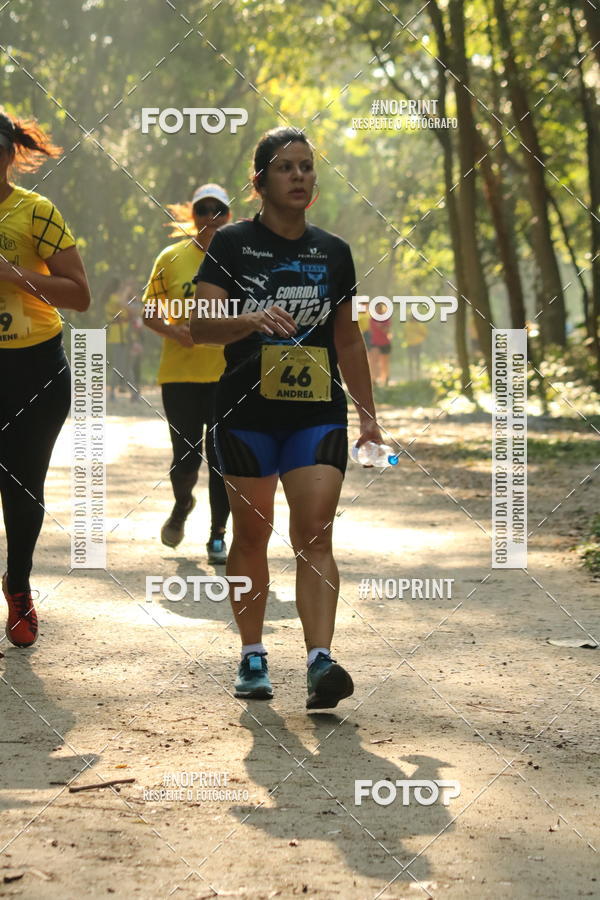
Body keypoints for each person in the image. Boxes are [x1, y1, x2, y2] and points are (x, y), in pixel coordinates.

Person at [191, 127, 383, 709]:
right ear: (260, 182)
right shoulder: (229, 245)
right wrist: (250, 319)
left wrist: (369, 416)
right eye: (285, 168)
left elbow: (348, 341)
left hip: (316, 413)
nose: (299, 176)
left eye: (306, 167)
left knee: (316, 531)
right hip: (245, 413)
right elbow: (200, 327)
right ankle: (252, 654)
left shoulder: (334, 252)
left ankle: (320, 662)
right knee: (251, 535)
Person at [0, 110, 91, 647]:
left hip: (35, 367)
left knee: (22, 484)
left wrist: (12, 275)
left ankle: (18, 584)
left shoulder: (36, 212)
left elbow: (79, 294)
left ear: (10, 154)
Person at [142, 184, 231, 564]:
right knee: (185, 458)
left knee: (223, 458)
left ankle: (217, 536)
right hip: (179, 374)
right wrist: (174, 330)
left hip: (229, 373)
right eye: (203, 209)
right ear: (192, 215)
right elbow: (149, 312)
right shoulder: (171, 257)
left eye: (219, 210)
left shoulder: (241, 257)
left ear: (229, 215)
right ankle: (182, 505)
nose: (211, 216)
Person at [368, 301, 392, 386]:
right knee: (373, 362)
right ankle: (373, 379)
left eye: (380, 308)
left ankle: (385, 379)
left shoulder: (386, 319)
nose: (379, 310)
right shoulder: (372, 319)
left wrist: (381, 326)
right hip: (375, 343)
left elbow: (387, 330)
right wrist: (381, 326)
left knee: (384, 362)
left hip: (385, 343)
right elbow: (372, 330)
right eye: (377, 308)